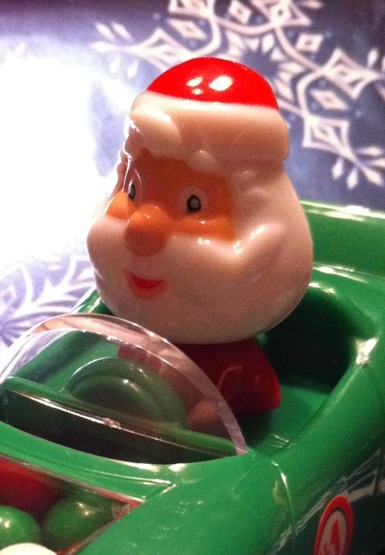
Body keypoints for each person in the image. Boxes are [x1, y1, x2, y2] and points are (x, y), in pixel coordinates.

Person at [87, 57, 313, 414]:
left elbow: (239, 406)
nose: (142, 227)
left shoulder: (236, 368)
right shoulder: (134, 344)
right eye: (132, 191)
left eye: (194, 205)